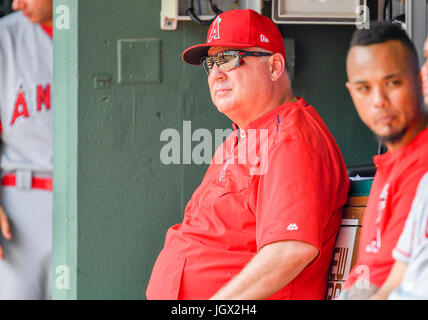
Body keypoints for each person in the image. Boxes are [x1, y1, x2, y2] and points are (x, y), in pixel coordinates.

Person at [146, 9, 349, 300]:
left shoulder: (289, 139)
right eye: (210, 63)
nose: (216, 73)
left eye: (229, 58)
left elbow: (290, 249)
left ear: (275, 67)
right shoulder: (245, 135)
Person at [340, 22, 428, 300]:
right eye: (364, 88)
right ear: (351, 93)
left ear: (418, 80)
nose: (379, 101)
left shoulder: (422, 163)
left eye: (392, 83)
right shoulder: (394, 159)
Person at [0, 0, 53, 299]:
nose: (16, 3)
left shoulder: (96, 37)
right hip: (20, 204)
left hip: (88, 205)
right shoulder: (5, 38)